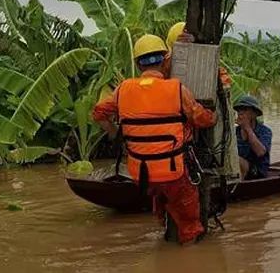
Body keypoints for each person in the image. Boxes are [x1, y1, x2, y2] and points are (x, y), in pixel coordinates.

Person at [92, 34, 216, 245]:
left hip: (141, 174)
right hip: (173, 172)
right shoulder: (176, 89)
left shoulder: (123, 90)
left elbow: (98, 113)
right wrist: (214, 116)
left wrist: (116, 134)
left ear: (137, 63)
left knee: (159, 195)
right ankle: (191, 255)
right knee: (190, 222)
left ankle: (164, 226)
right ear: (166, 60)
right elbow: (201, 119)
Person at [233, 95, 272, 180]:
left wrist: (247, 128)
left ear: (254, 114)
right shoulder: (234, 133)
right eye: (239, 110)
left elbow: (260, 152)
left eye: (245, 109)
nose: (240, 113)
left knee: (237, 160)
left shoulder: (265, 131)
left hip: (257, 171)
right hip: (239, 170)